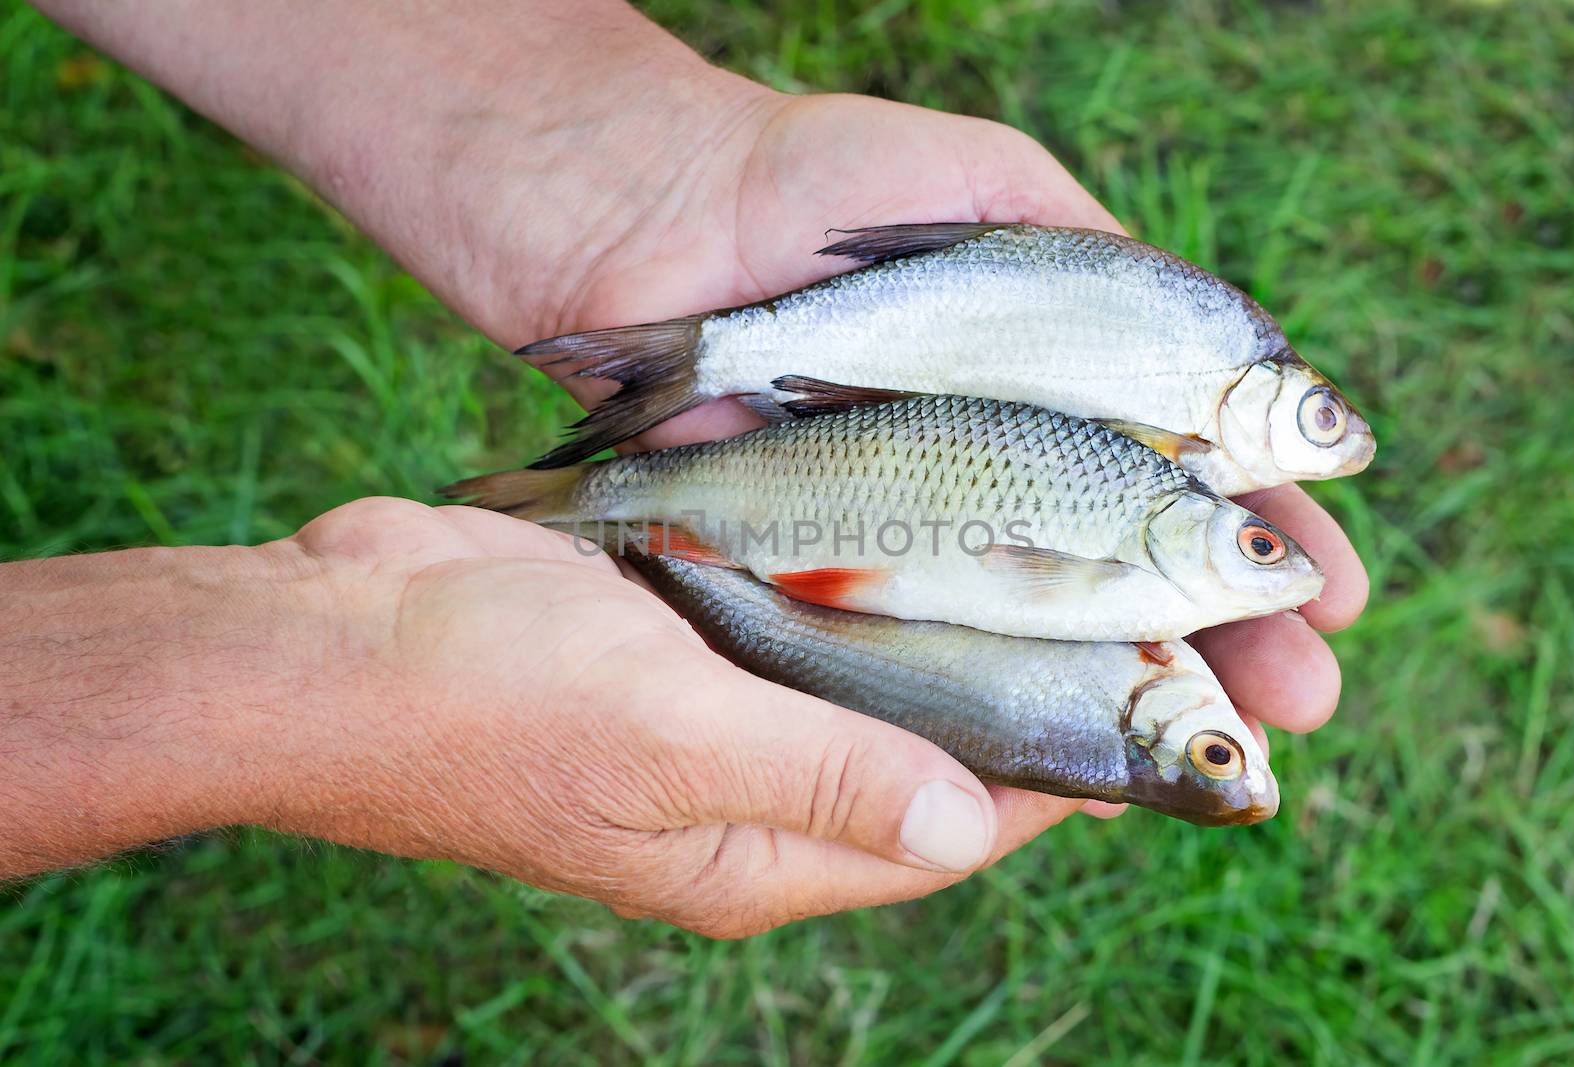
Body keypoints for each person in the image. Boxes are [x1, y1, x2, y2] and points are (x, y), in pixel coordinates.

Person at [3, 1, 1367, 938]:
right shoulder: (1153, 517)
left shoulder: (1144, 538)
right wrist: (336, 680)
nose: (1274, 545)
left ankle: (628, 501)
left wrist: (638, 165)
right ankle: (634, 486)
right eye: (1256, 543)